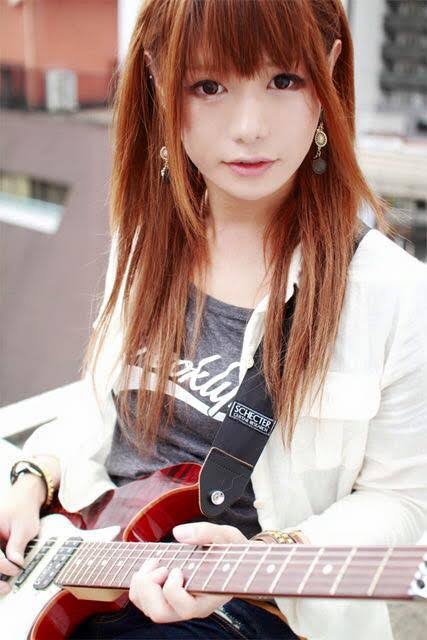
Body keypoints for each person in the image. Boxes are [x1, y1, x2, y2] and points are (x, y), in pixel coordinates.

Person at [1, 0, 426, 638]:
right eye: (208, 86)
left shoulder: (393, 293)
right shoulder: (145, 245)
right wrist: (33, 480)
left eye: (284, 80)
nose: (249, 127)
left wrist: (265, 558)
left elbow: (401, 502)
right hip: (94, 574)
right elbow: (97, 412)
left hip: (261, 610)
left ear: (328, 73)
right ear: (158, 79)